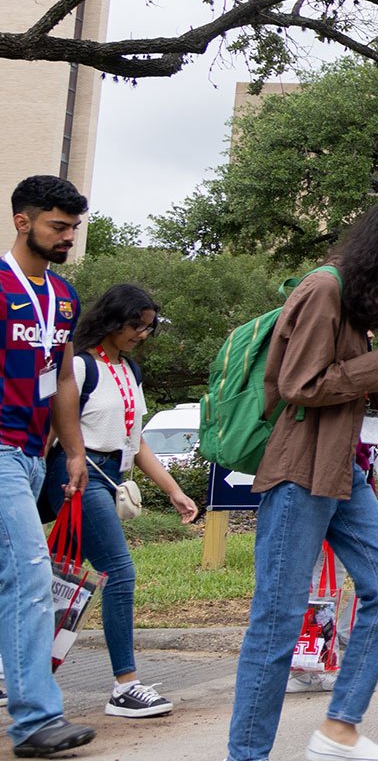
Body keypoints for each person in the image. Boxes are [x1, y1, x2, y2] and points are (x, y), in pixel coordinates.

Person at [227, 195, 378, 761]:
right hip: (300, 468)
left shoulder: (353, 301)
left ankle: (339, 730)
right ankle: (245, 756)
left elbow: (354, 392)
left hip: (339, 468)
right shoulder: (324, 287)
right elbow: (301, 385)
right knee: (276, 623)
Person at [50, 284, 200, 719]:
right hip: (76, 477)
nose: (142, 334)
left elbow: (134, 445)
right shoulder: (79, 366)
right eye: (136, 324)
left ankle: (18, 673)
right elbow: (53, 431)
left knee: (57, 582)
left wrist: (174, 491)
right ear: (114, 319)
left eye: (149, 328)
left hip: (108, 477)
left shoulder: (129, 371)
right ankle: (124, 686)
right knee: (118, 572)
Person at [0, 175, 96, 757]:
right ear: (22, 221)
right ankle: (36, 719)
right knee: (31, 577)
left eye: (73, 228)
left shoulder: (63, 296)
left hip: (36, 458)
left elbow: (61, 377)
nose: (67, 237)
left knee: (15, 579)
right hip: (0, 451)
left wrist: (75, 451)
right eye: (58, 226)